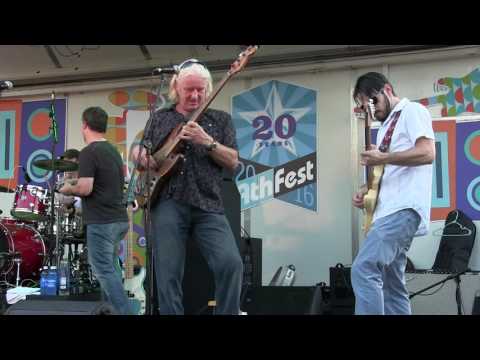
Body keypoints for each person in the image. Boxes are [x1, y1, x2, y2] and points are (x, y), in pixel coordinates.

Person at [132, 58, 243, 315]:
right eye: (188, 89)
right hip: (168, 199)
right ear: (176, 89)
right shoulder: (161, 118)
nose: (194, 95)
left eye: (200, 90)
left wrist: (208, 142)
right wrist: (139, 154)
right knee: (168, 273)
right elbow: (143, 149)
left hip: (208, 203)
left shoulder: (221, 119)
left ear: (208, 89)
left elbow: (234, 161)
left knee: (231, 264)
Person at [351, 72, 436, 315]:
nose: (372, 110)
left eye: (373, 102)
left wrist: (383, 156)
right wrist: (365, 192)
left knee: (364, 268)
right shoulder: (387, 126)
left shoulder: (413, 111)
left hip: (401, 210)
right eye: (365, 107)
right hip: (388, 211)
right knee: (391, 285)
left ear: (387, 90)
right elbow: (387, 173)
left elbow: (427, 153)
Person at [59, 107, 131, 315]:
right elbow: (104, 183)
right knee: (110, 271)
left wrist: (68, 188)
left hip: (102, 222)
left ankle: (124, 312)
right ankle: (112, 312)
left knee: (104, 271)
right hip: (118, 220)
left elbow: (85, 188)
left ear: (84, 125)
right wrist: (76, 180)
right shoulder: (113, 151)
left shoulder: (88, 152)